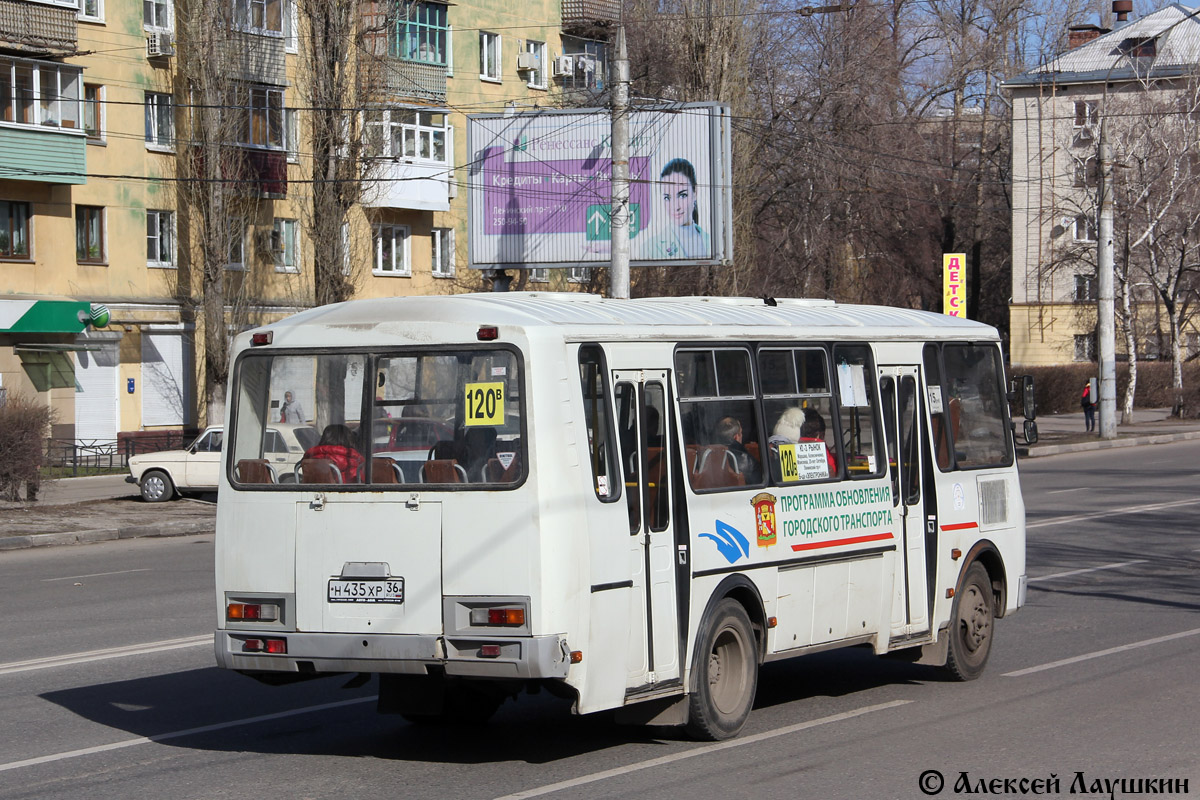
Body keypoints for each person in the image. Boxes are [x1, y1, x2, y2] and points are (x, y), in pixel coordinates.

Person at [648, 158, 711, 259]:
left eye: (682, 195)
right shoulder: (649, 248)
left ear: (695, 192)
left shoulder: (711, 242)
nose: (675, 207)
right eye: (667, 198)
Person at [714, 416, 760, 483]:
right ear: (736, 437)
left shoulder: (708, 456)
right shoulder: (749, 461)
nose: (742, 436)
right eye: (741, 433)